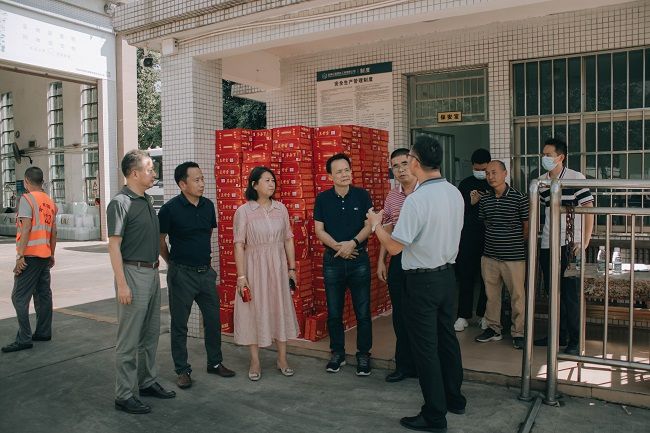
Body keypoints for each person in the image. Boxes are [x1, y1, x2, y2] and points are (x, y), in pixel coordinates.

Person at [367, 136, 466, 433]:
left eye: (408, 158)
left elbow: (395, 247)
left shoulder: (417, 200)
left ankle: (434, 415)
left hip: (423, 281)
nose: (405, 164)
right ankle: (455, 398)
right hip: (447, 277)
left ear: (416, 162)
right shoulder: (453, 192)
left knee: (426, 349)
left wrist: (375, 224)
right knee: (447, 339)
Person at [108, 149, 175, 414]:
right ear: (134, 173)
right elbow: (114, 246)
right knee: (129, 339)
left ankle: (147, 382)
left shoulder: (146, 200)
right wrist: (122, 284)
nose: (154, 173)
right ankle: (123, 395)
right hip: (132, 273)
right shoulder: (120, 203)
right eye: (149, 169)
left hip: (151, 272)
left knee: (150, 333)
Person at [158, 162, 235, 390]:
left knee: (213, 320)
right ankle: (182, 370)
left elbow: (206, 234)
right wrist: (172, 263)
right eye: (197, 180)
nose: (202, 183)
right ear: (183, 184)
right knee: (180, 325)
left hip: (205, 273)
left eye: (202, 179)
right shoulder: (169, 209)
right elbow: (160, 240)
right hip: (181, 274)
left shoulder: (208, 206)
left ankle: (215, 362)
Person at [233, 166, 299, 381]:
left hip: (278, 267)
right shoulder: (243, 211)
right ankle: (255, 360)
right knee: (254, 310)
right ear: (254, 185)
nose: (272, 184)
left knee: (280, 307)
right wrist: (241, 277)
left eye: (273, 180)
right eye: (267, 180)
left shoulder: (281, 209)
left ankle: (282, 358)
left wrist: (291, 268)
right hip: (254, 267)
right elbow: (238, 245)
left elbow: (288, 239)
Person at [314, 153, 373, 376]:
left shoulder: (362, 195)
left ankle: (364, 354)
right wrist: (339, 248)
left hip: (359, 259)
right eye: (339, 171)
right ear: (330, 176)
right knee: (334, 312)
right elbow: (319, 230)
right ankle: (337, 353)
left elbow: (369, 225)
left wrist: (352, 243)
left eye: (347, 169)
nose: (344, 174)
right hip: (333, 261)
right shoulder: (322, 199)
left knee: (363, 312)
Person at [535, 137, 594, 356]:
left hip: (571, 245)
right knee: (553, 294)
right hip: (547, 244)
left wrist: (584, 242)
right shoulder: (541, 182)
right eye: (543, 154)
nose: (544, 158)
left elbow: (588, 210)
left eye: (548, 155)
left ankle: (575, 341)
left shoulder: (576, 178)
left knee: (571, 295)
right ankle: (558, 335)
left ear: (560, 157)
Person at [474, 161, 528, 350]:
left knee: (517, 296)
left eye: (494, 172)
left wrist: (513, 242)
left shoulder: (519, 198)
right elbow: (486, 223)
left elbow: (526, 226)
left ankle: (519, 333)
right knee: (492, 295)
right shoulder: (485, 200)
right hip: (489, 256)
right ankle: (493, 328)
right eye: (487, 173)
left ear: (505, 173)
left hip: (514, 257)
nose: (490, 177)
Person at [2, 167, 57, 353]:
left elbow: (25, 228)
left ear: (26, 181)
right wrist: (51, 254)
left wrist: (20, 255)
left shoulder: (27, 199)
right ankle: (43, 332)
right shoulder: (50, 202)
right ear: (41, 182)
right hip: (44, 257)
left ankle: (24, 338)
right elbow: (54, 232)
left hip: (30, 257)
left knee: (18, 297)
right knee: (43, 295)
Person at [377, 148, 418, 382]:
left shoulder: (425, 192)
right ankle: (404, 365)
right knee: (400, 316)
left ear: (414, 164)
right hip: (398, 259)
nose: (401, 169)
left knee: (420, 315)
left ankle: (425, 366)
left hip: (422, 260)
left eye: (404, 163)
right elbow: (388, 229)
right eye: (396, 166)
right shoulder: (392, 196)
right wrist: (381, 260)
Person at [454, 149, 491, 332]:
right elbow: (457, 211)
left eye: (483, 169)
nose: (480, 172)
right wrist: (471, 203)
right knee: (466, 277)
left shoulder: (494, 182)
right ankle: (463, 315)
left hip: (489, 237)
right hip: (467, 237)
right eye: (477, 169)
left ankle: (484, 315)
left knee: (487, 279)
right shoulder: (465, 184)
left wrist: (484, 200)